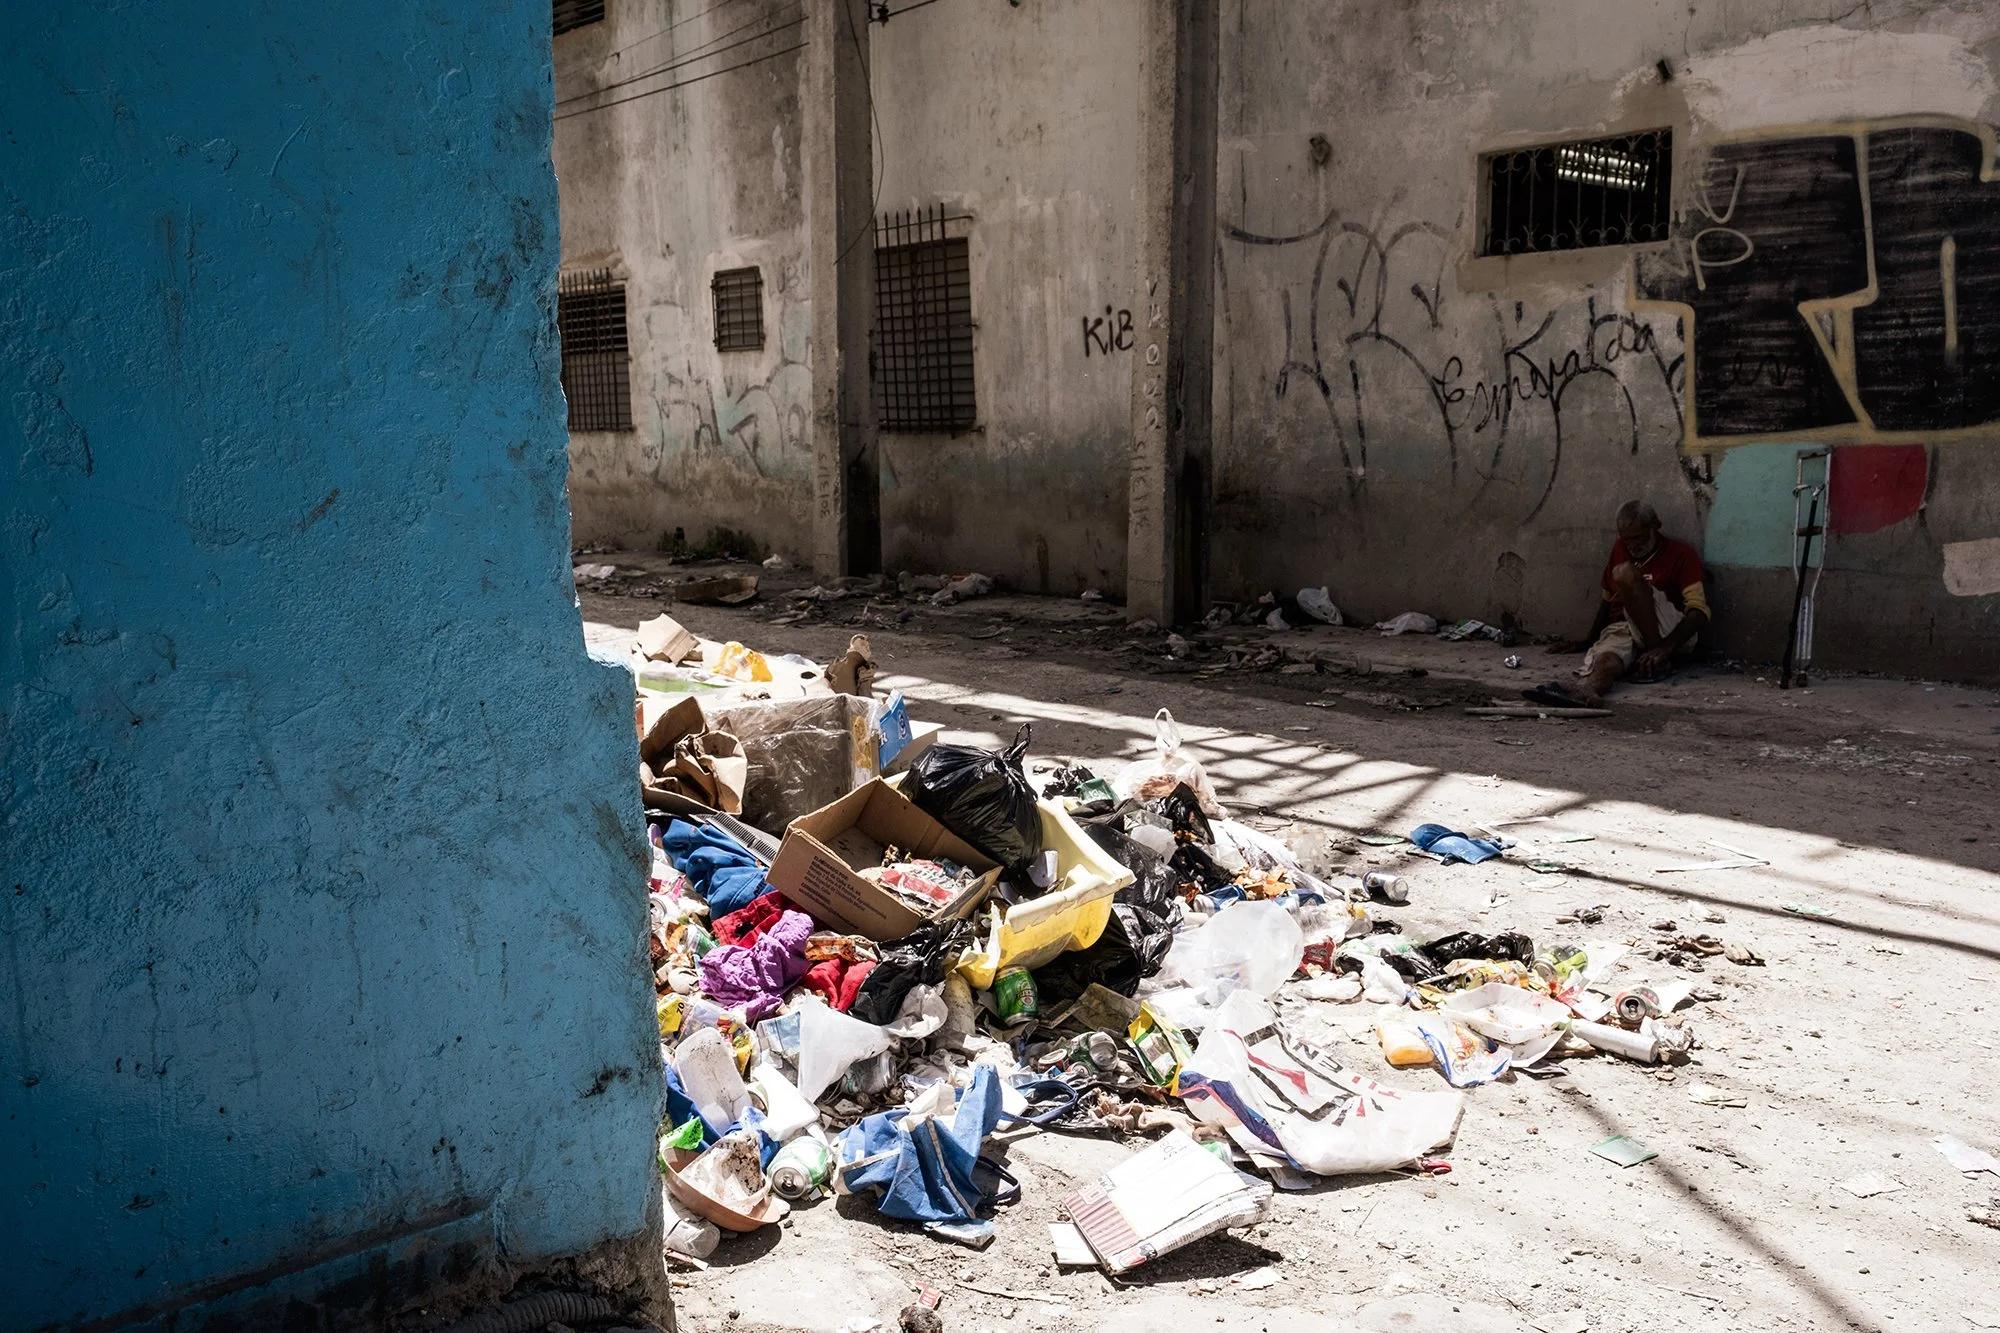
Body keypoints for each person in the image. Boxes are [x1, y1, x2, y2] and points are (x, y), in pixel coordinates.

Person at [1529, 500, 1709, 707]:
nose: (1633, 546)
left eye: (1639, 538)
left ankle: (1658, 659)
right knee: (1606, 660)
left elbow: (1699, 611)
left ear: (1656, 526)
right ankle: (1588, 691)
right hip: (1625, 627)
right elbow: (1607, 599)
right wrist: (1589, 639)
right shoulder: (1619, 549)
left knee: (1625, 573)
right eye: (1627, 540)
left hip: (1666, 628)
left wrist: (1664, 648)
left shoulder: (1681, 554)